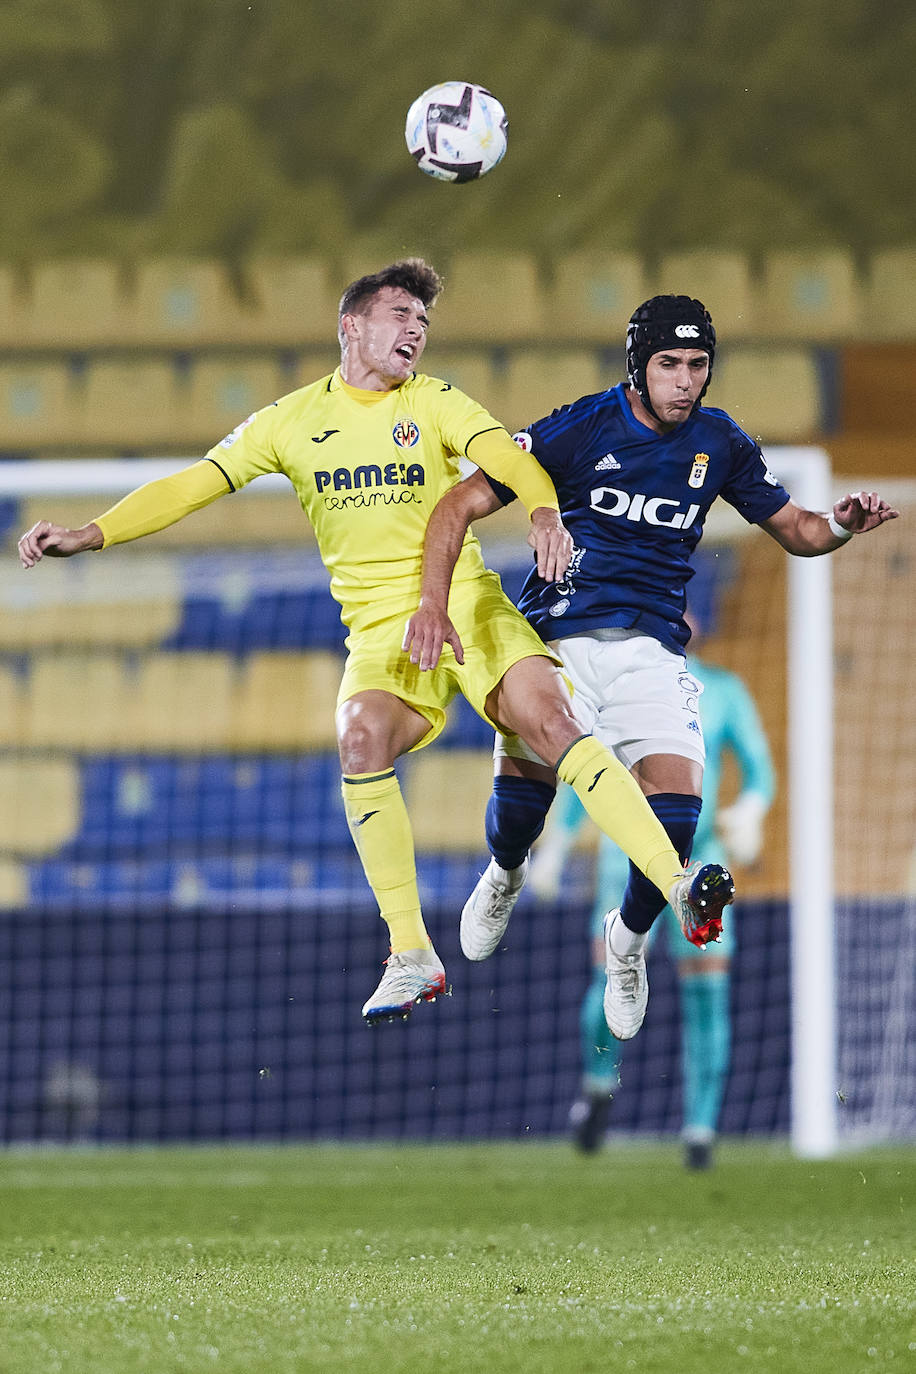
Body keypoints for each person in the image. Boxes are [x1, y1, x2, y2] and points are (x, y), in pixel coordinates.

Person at [18, 262, 721, 1026]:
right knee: (358, 740)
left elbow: (516, 462)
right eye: (399, 314)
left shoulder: (436, 401)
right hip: (384, 632)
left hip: (465, 605)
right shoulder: (288, 421)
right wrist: (92, 534)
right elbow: (194, 483)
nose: (415, 330)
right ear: (350, 326)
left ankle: (676, 884)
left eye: (423, 320)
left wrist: (546, 512)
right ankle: (413, 953)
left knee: (555, 724)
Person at [404, 293, 898, 1046]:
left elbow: (795, 529)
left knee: (677, 815)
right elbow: (457, 505)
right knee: (523, 815)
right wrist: (433, 605)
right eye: (670, 364)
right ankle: (503, 874)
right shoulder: (582, 426)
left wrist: (840, 524)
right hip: (556, 641)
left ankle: (627, 942)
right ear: (639, 364)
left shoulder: (720, 443)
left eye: (698, 365)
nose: (686, 381)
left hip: (653, 650)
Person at [530, 610, 776, 1168]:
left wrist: (753, 810)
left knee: (706, 991)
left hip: (702, 858)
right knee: (608, 977)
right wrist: (557, 849)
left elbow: (760, 769)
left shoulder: (724, 691)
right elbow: (587, 771)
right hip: (626, 857)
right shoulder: (617, 689)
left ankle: (700, 1131)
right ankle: (597, 1086)